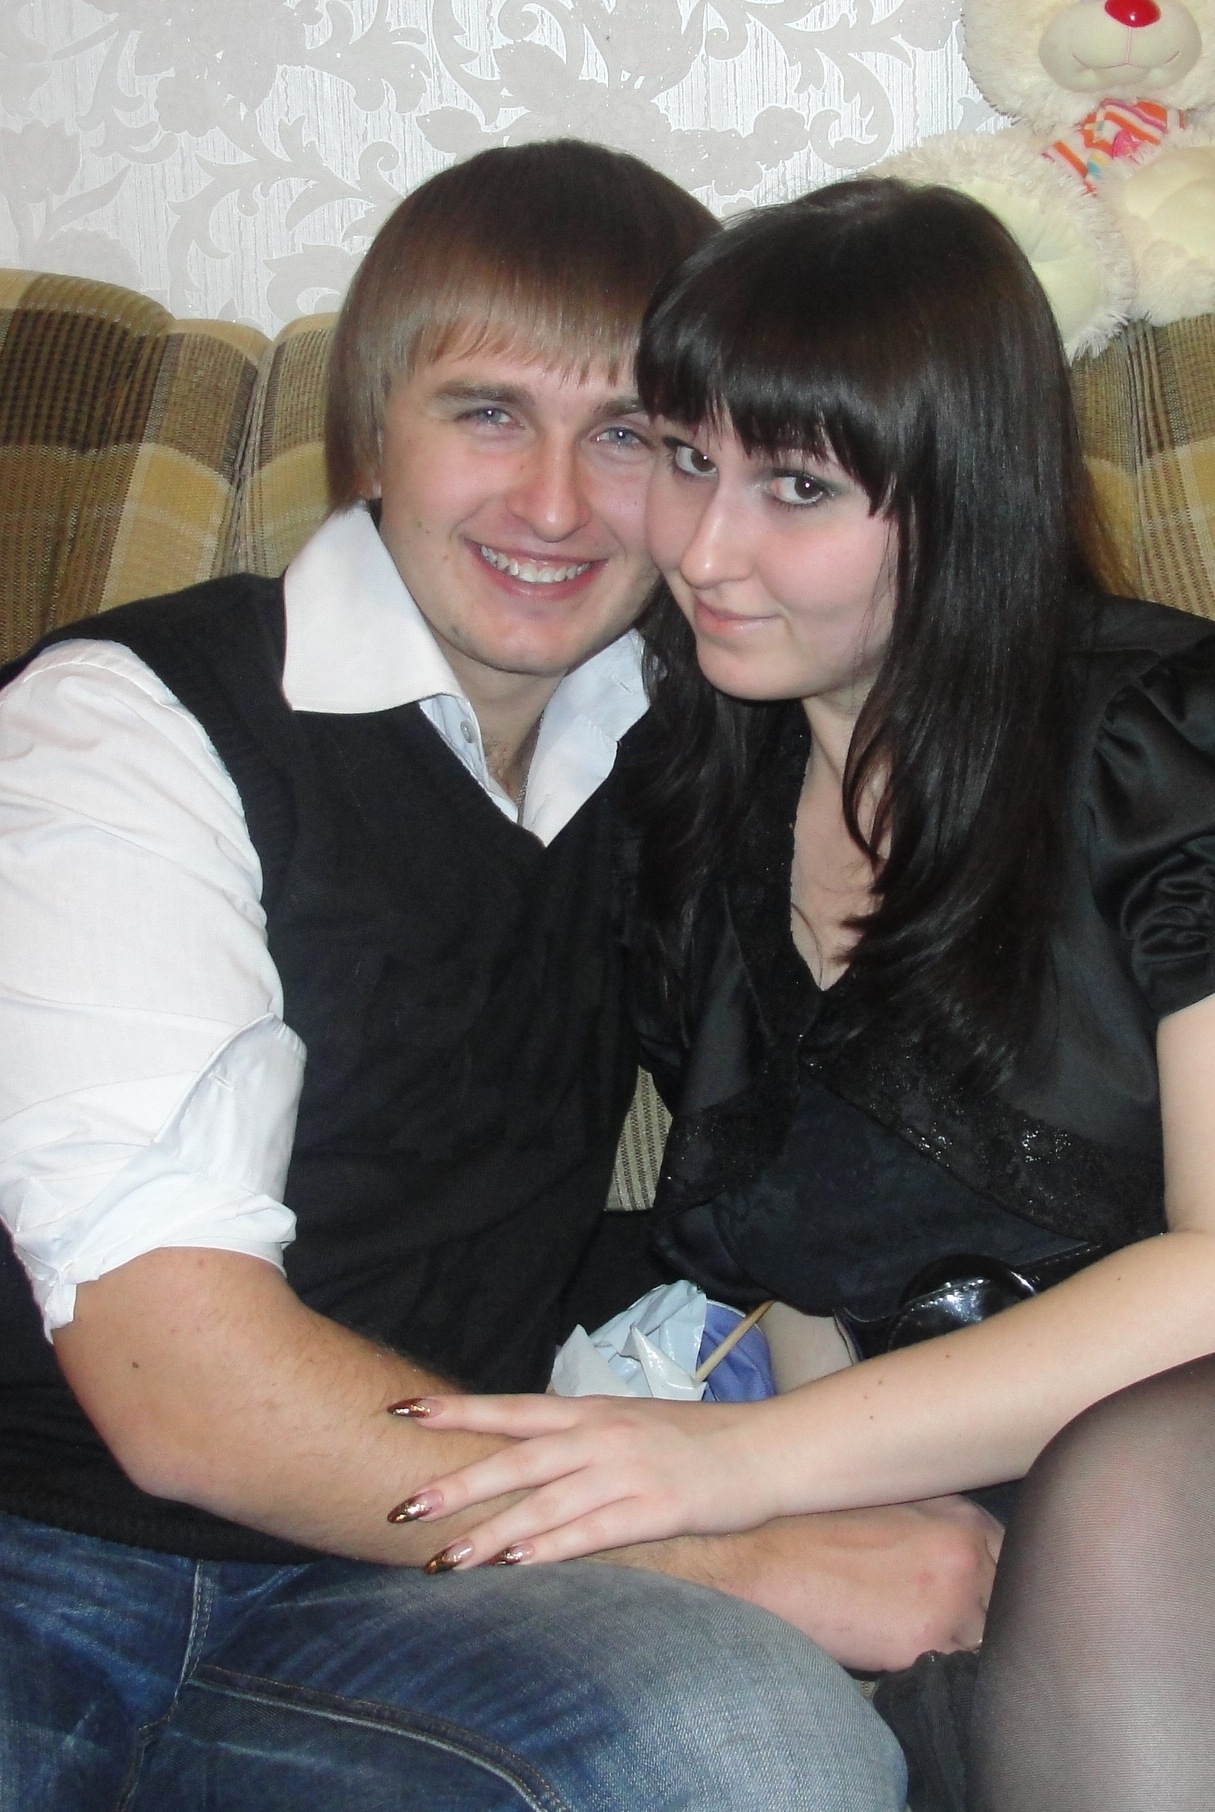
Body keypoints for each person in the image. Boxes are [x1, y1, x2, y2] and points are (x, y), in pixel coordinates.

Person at [0, 142, 987, 1812]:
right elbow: (182, 1389)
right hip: (39, 1541)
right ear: (370, 425)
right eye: (486, 412)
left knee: (767, 1754)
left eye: (629, 438)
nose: (552, 507)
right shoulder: (126, 722)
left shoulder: (696, 758)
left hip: (396, 1597)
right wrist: (725, 1553)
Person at [386, 177, 1215, 1803]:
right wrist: (810, 1526)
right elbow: (807, 1282)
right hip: (935, 1498)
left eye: (797, 486)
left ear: (962, 498)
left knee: (1127, 1494)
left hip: (1167, 1483)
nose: (702, 550)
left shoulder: (1158, 743)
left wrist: (738, 1463)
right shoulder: (689, 805)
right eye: (687, 459)